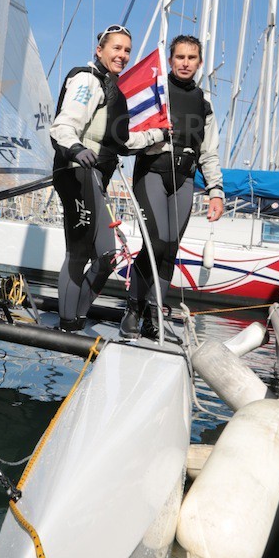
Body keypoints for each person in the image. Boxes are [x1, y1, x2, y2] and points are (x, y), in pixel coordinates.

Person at [50, 25, 163, 332]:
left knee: (108, 255)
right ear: (99, 50)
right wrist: (75, 148)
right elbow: (63, 125)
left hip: (95, 176)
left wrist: (159, 134)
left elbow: (123, 142)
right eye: (116, 48)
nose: (123, 55)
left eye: (127, 50)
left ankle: (76, 320)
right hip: (75, 171)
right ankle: (67, 324)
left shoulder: (112, 88)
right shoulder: (87, 80)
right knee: (78, 251)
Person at [122, 33, 224, 340]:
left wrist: (216, 191)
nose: (185, 63)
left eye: (191, 58)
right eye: (179, 57)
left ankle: (154, 317)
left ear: (199, 63)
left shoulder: (204, 103)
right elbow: (127, 131)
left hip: (184, 180)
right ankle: (133, 309)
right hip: (152, 172)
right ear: (170, 60)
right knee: (158, 243)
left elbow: (209, 151)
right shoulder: (155, 92)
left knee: (170, 249)